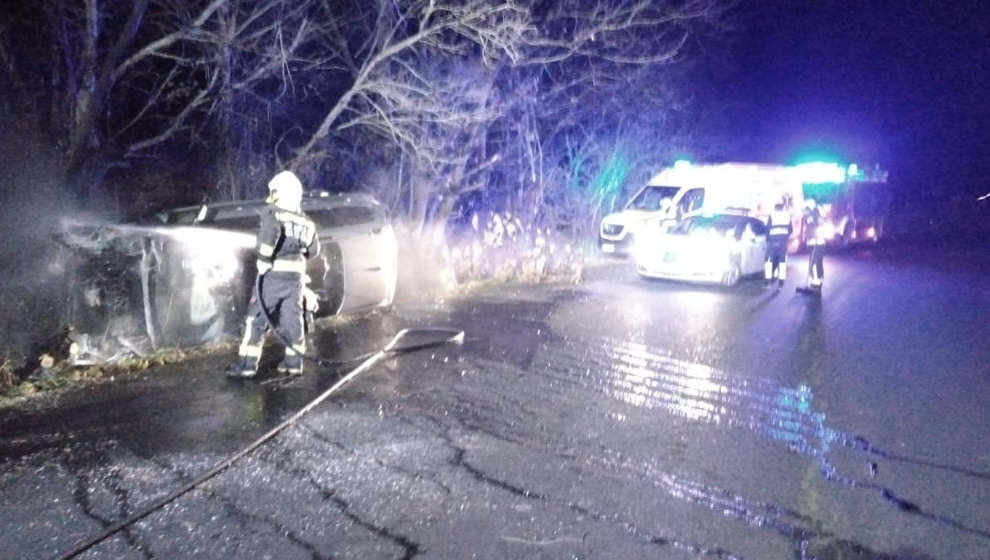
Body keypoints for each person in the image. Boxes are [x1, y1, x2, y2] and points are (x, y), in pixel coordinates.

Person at [229, 170, 320, 378]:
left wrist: (263, 260)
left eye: (274, 192)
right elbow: (314, 251)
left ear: (280, 193)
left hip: (272, 277)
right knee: (293, 322)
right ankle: (294, 364)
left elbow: (270, 235)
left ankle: (246, 366)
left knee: (256, 320)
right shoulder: (307, 222)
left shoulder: (273, 213)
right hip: (295, 282)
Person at [765, 201, 792, 288]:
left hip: (773, 241)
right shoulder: (787, 216)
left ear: (775, 208)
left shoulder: (772, 215)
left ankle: (768, 282)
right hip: (783, 242)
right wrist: (785, 236)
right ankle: (781, 283)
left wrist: (768, 239)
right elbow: (791, 229)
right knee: (782, 262)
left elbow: (767, 228)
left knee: (768, 261)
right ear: (782, 208)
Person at [802, 198, 825, 293]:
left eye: (805, 209)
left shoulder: (816, 213)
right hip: (812, 241)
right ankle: (816, 281)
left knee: (815, 263)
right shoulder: (808, 216)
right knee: (814, 262)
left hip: (817, 241)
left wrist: (816, 232)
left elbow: (820, 223)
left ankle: (816, 283)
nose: (804, 211)